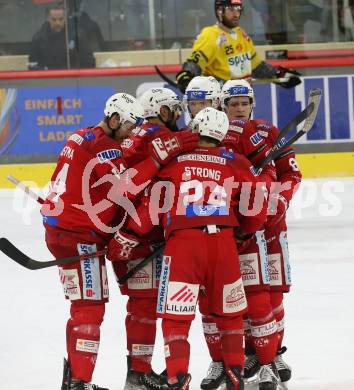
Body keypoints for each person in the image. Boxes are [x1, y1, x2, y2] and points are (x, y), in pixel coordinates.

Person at [40, 91, 198, 390]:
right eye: (127, 126)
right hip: (80, 234)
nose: (130, 133)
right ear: (113, 119)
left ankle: (77, 380)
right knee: (89, 307)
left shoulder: (79, 136)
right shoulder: (106, 147)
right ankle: (79, 383)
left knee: (85, 305)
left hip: (61, 228)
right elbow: (125, 187)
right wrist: (155, 158)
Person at [122, 107, 271, 389]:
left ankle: (178, 379)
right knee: (230, 316)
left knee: (176, 319)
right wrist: (243, 233)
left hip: (183, 247)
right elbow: (258, 206)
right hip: (223, 246)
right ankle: (235, 377)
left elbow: (147, 203)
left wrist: (129, 236)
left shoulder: (174, 161)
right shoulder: (235, 161)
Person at [200, 79, 300, 390]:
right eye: (233, 104)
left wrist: (278, 202)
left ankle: (271, 352)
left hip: (270, 227)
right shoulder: (215, 134)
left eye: (244, 102)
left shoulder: (269, 132)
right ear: (223, 107)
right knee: (231, 296)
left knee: (271, 295)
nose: (239, 108)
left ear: (252, 103)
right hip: (232, 229)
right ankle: (240, 353)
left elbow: (290, 173)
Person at [106, 87, 195, 390]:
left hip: (125, 228)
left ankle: (139, 372)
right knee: (143, 305)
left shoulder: (139, 135)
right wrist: (132, 233)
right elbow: (155, 195)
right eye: (176, 111)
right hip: (135, 234)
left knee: (141, 304)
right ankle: (138, 374)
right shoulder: (157, 137)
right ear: (165, 111)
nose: (180, 119)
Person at [176, 0, 301, 93]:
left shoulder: (241, 34)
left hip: (243, 99)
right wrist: (186, 75)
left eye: (238, 9)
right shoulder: (211, 35)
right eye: (231, 9)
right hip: (220, 101)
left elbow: (255, 66)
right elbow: (196, 63)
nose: (236, 14)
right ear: (219, 11)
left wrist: (278, 74)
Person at [28, 2, 103, 70]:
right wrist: (45, 71)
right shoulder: (39, 38)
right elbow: (32, 65)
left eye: (61, 19)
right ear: (47, 18)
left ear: (65, 18)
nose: (58, 23)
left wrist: (74, 71)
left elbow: (89, 61)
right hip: (48, 81)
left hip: (72, 79)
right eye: (54, 20)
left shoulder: (77, 36)